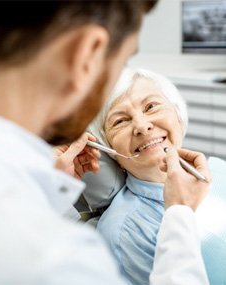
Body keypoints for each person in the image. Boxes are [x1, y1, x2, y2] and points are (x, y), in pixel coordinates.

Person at [0, 1, 211, 284]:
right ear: (87, 53)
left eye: (152, 106)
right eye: (123, 61)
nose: (142, 125)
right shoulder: (58, 261)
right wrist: (179, 215)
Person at [87, 68, 218, 284]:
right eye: (120, 121)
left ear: (177, 114)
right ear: (109, 150)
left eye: (151, 107)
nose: (142, 126)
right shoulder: (126, 232)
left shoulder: (216, 172)